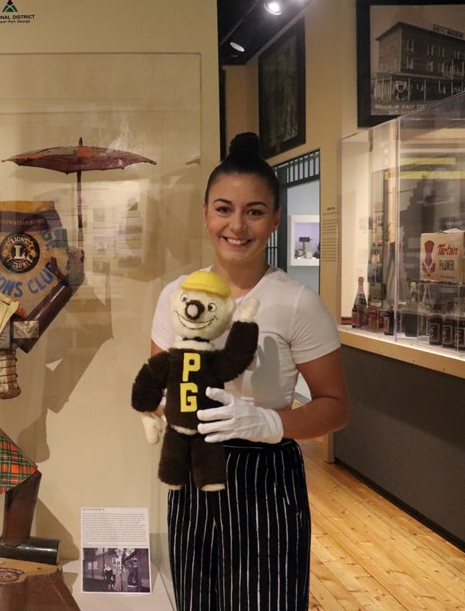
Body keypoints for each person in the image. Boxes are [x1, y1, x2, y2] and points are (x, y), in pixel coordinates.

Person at [144, 132, 349, 610]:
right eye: (224, 209)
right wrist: (165, 407)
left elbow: (336, 408)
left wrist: (270, 423)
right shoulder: (176, 295)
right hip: (195, 469)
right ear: (205, 214)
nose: (237, 225)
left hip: (267, 476)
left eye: (254, 211)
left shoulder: (297, 301)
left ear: (275, 219)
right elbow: (158, 382)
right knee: (197, 597)